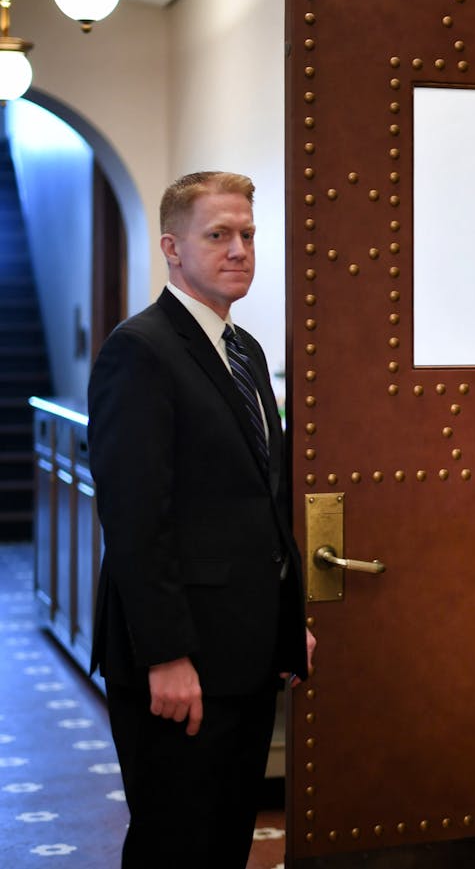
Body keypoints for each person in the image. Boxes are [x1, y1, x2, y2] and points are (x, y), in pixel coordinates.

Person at [88, 171, 313, 868]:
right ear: (172, 248)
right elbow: (135, 519)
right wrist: (166, 654)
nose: (240, 249)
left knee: (224, 841)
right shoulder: (142, 350)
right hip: (178, 661)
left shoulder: (244, 351)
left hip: (243, 654)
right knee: (175, 844)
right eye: (219, 234)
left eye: (248, 234)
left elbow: (262, 501)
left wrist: (287, 617)